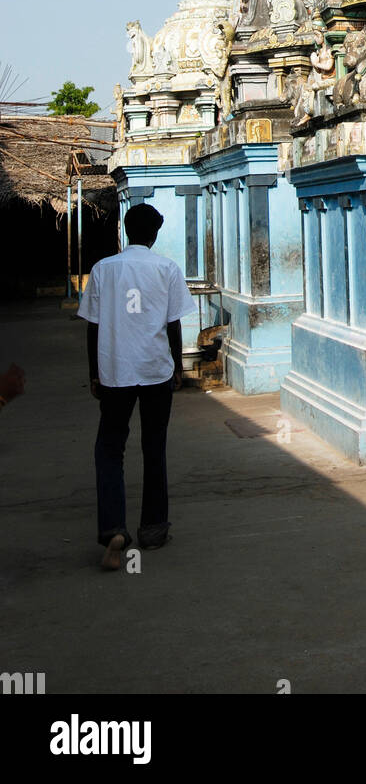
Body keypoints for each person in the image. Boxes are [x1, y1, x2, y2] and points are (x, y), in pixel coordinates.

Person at [77, 203, 193, 571]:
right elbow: (173, 323)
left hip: (115, 370)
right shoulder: (167, 269)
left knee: (110, 449)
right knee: (153, 447)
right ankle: (154, 529)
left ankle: (114, 528)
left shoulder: (102, 269)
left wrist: (95, 372)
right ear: (154, 234)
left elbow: (93, 326)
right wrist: (175, 366)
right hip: (155, 369)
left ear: (126, 230)